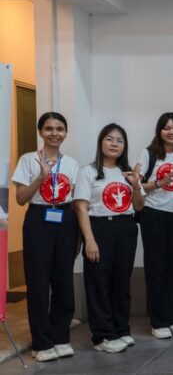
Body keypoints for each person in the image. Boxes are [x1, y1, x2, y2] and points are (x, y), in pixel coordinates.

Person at [12, 112, 79, 362]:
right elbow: (21, 199)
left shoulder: (71, 163)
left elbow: (75, 199)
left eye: (60, 129)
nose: (54, 133)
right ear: (40, 131)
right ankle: (41, 343)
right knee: (38, 282)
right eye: (49, 128)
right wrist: (41, 177)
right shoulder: (28, 159)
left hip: (65, 218)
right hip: (38, 218)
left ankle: (60, 337)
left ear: (65, 133)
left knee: (63, 280)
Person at [74, 123, 144, 353]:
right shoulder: (88, 171)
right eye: (109, 139)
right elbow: (81, 208)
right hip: (100, 227)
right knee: (99, 283)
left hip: (126, 227)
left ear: (125, 146)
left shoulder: (128, 173)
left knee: (121, 282)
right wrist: (89, 240)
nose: (115, 144)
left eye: (119, 140)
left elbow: (139, 206)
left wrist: (136, 186)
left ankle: (121, 329)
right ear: (101, 142)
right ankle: (102, 336)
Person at [138, 112, 173, 339]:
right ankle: (159, 320)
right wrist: (159, 183)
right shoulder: (149, 153)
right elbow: (137, 186)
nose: (171, 132)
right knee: (156, 269)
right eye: (167, 128)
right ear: (159, 130)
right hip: (154, 215)